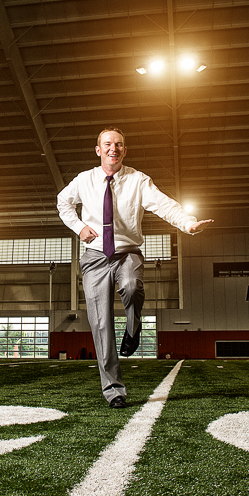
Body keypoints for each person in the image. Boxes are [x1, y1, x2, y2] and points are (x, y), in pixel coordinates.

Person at [56, 127, 213, 408]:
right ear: (98, 150)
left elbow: (165, 205)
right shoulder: (84, 180)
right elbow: (63, 203)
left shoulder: (138, 180)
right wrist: (79, 227)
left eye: (118, 144)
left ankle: (134, 326)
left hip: (127, 253)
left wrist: (188, 223)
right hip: (94, 257)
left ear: (124, 150)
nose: (112, 148)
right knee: (101, 324)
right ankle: (114, 390)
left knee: (131, 287)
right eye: (107, 144)